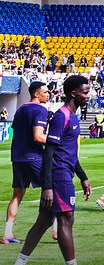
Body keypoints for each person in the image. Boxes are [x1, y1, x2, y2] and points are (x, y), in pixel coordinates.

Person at [6, 75, 99, 265]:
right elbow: (49, 152)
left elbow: (69, 153)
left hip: (65, 172)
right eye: (85, 92)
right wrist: (47, 186)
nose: (88, 95)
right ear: (73, 93)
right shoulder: (61, 117)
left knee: (44, 222)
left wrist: (83, 176)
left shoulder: (72, 117)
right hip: (58, 176)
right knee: (66, 220)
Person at [3, 82, 50, 244]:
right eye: (45, 92)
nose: (48, 94)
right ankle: (57, 229)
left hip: (18, 157)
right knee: (52, 189)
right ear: (36, 94)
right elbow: (38, 136)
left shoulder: (20, 109)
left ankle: (7, 233)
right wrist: (58, 142)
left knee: (17, 195)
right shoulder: (40, 110)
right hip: (34, 157)